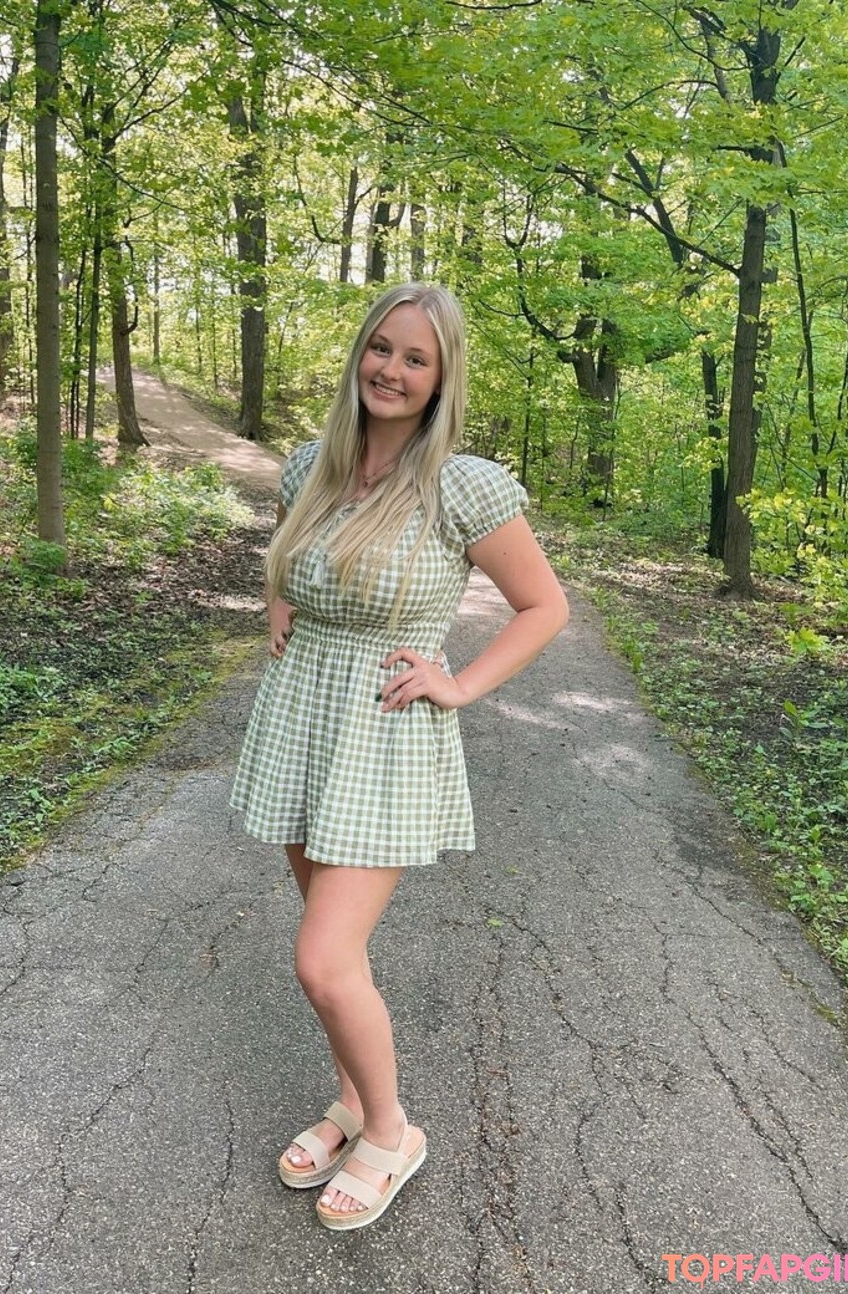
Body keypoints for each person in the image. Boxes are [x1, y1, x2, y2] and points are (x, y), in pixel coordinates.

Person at [230, 282, 569, 1231]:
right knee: (334, 947)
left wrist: (459, 683)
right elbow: (292, 555)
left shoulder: (464, 486)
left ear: (440, 377)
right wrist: (280, 603)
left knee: (323, 959)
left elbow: (545, 607)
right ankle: (349, 1104)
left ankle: (390, 1133)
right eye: (381, 348)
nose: (391, 369)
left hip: (382, 735)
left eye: (416, 358)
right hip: (302, 722)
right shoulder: (313, 466)